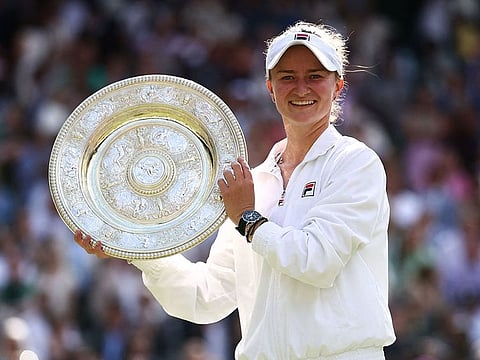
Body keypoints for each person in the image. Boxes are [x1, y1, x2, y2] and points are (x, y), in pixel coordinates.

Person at [75, 20, 396, 359]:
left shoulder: (356, 163)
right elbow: (206, 298)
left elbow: (317, 261)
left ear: (338, 85)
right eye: (287, 77)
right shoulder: (251, 183)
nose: (301, 87)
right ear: (270, 88)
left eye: (315, 75)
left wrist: (248, 219)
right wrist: (138, 246)